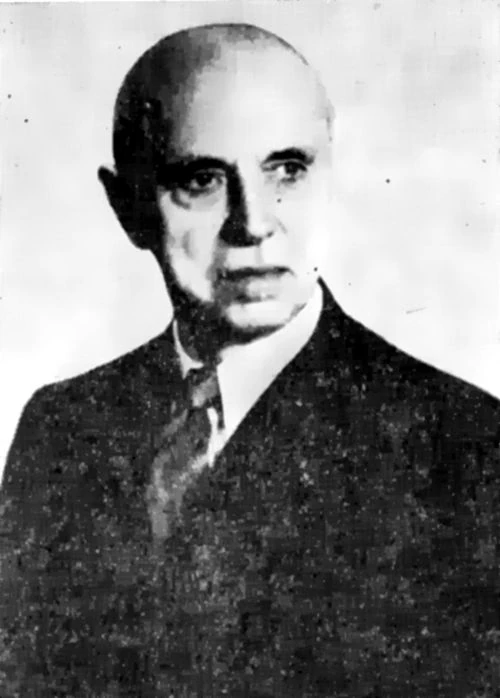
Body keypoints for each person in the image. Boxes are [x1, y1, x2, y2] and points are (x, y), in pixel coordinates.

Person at [1, 22, 500, 698]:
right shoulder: (63, 427)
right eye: (202, 180)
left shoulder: (463, 444)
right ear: (127, 208)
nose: (254, 222)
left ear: (330, 175)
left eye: (287, 170)